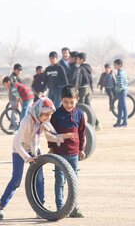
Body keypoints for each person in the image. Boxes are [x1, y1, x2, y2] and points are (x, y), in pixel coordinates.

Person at [0, 97, 77, 220]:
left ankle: (40, 209)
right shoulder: (26, 121)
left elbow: (50, 136)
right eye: (45, 115)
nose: (47, 118)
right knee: (16, 180)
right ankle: (1, 206)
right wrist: (28, 158)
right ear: (38, 111)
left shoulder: (42, 122)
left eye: (49, 115)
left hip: (34, 150)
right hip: (20, 150)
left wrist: (63, 136)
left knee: (39, 179)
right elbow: (17, 144)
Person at [48, 85, 85, 218]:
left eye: (71, 102)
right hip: (59, 154)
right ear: (61, 100)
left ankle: (74, 208)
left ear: (77, 100)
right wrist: (51, 147)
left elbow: (82, 133)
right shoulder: (56, 115)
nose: (68, 105)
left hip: (74, 154)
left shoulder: (80, 114)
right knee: (60, 181)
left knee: (73, 181)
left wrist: (81, 149)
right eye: (65, 102)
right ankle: (60, 208)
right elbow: (51, 133)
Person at [74, 52, 102, 131]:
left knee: (80, 107)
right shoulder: (88, 67)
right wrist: (91, 88)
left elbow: (78, 81)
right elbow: (90, 79)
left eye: (78, 59)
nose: (76, 60)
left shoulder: (80, 68)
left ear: (82, 60)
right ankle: (97, 124)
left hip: (82, 89)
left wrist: (76, 90)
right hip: (88, 89)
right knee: (89, 108)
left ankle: (81, 125)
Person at [113, 59, 128, 128]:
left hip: (121, 91)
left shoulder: (120, 73)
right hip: (123, 91)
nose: (114, 66)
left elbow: (121, 85)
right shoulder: (122, 72)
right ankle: (118, 122)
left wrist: (116, 90)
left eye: (115, 65)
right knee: (119, 107)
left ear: (120, 65)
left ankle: (125, 123)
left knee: (124, 107)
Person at [8, 64, 23, 130]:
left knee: (15, 110)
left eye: (20, 70)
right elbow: (13, 89)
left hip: (18, 96)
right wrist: (18, 97)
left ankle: (12, 125)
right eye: (18, 70)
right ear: (14, 70)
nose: (19, 72)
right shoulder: (12, 77)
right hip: (14, 96)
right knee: (15, 110)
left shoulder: (17, 77)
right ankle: (15, 125)